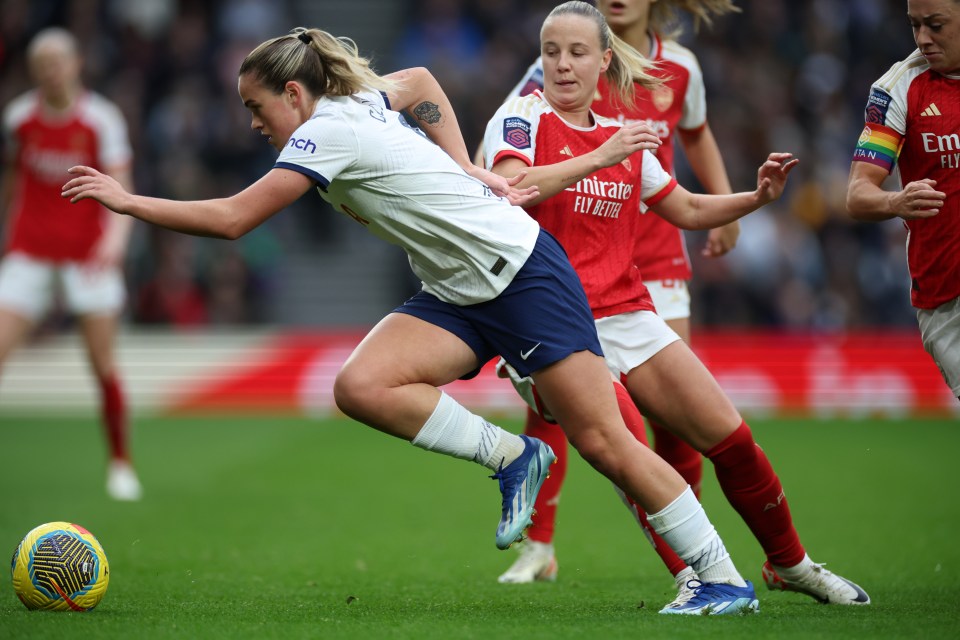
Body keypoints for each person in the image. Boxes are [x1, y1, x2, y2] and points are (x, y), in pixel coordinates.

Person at [63, 26, 761, 615]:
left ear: (296, 95)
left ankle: (722, 578)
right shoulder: (361, 101)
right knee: (362, 386)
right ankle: (515, 457)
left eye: (257, 105)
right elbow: (422, 80)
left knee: (607, 445)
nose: (253, 122)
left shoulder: (326, 131)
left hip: (522, 274)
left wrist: (129, 202)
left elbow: (233, 217)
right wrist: (469, 169)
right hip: (458, 288)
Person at [483, 1, 869, 608]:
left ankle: (791, 564)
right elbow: (514, 191)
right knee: (629, 452)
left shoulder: (625, 133)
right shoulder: (519, 119)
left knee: (730, 438)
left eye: (577, 52)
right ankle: (698, 575)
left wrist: (755, 198)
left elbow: (685, 208)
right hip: (551, 324)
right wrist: (601, 156)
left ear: (605, 62)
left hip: (629, 312)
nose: (561, 65)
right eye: (550, 51)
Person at [493, 0, 741, 587]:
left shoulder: (679, 66)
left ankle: (694, 544)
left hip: (655, 251)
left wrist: (729, 203)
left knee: (672, 418)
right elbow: (511, 139)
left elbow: (697, 135)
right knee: (561, 407)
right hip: (582, 253)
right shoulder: (559, 60)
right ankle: (541, 545)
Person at [0, 28, 142, 501]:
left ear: (76, 63)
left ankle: (120, 463)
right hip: (30, 251)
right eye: (41, 64)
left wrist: (115, 240)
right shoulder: (19, 118)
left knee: (102, 365)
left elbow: (122, 181)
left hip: (87, 253)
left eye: (57, 62)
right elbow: (13, 183)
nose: (50, 71)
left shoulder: (101, 119)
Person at [846, 0, 959, 400]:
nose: (923, 38)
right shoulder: (897, 88)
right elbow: (858, 195)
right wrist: (896, 202)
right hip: (948, 297)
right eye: (915, 25)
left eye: (936, 25)